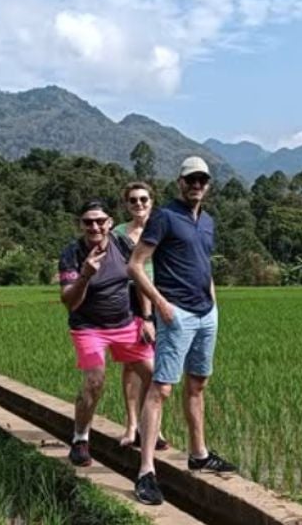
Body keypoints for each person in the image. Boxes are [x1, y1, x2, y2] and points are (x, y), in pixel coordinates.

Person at [129, 156, 238, 506]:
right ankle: (146, 471)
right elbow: (136, 265)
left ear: (208, 185)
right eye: (191, 180)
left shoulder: (207, 222)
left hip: (207, 314)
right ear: (180, 182)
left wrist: (214, 304)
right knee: (161, 388)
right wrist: (160, 305)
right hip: (177, 313)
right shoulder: (164, 217)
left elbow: (204, 267)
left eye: (202, 180)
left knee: (198, 384)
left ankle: (199, 453)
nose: (196, 185)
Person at [58, 200, 155, 467]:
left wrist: (146, 318)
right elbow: (69, 301)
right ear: (81, 225)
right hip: (88, 328)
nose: (95, 226)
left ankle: (144, 429)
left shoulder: (123, 245)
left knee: (155, 377)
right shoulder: (72, 254)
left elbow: (139, 283)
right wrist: (86, 275)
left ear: (110, 222)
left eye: (100, 221)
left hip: (125, 324)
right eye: (88, 222)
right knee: (95, 381)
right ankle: (80, 438)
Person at [113, 181, 168, 450]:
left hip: (161, 301)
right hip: (129, 303)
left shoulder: (161, 229)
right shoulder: (118, 233)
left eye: (143, 199)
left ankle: (154, 427)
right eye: (133, 200)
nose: (139, 204)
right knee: (131, 366)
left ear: (151, 202)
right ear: (127, 204)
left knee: (159, 366)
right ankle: (132, 424)